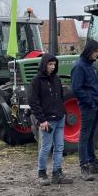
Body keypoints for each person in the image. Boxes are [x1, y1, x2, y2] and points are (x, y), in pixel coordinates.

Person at [28, 53, 73, 185]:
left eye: (54, 64)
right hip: (47, 121)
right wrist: (41, 120)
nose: (52, 67)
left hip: (59, 119)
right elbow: (33, 102)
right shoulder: (36, 81)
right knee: (46, 147)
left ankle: (57, 173)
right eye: (50, 64)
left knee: (59, 147)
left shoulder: (56, 79)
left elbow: (60, 98)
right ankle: (42, 173)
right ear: (44, 64)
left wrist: (64, 113)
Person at [70, 39, 98, 181]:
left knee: (92, 136)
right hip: (88, 107)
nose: (97, 55)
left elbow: (93, 86)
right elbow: (76, 89)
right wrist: (90, 102)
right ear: (89, 50)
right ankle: (84, 166)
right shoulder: (79, 67)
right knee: (84, 136)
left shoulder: (91, 66)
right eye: (95, 52)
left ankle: (93, 163)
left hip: (96, 105)